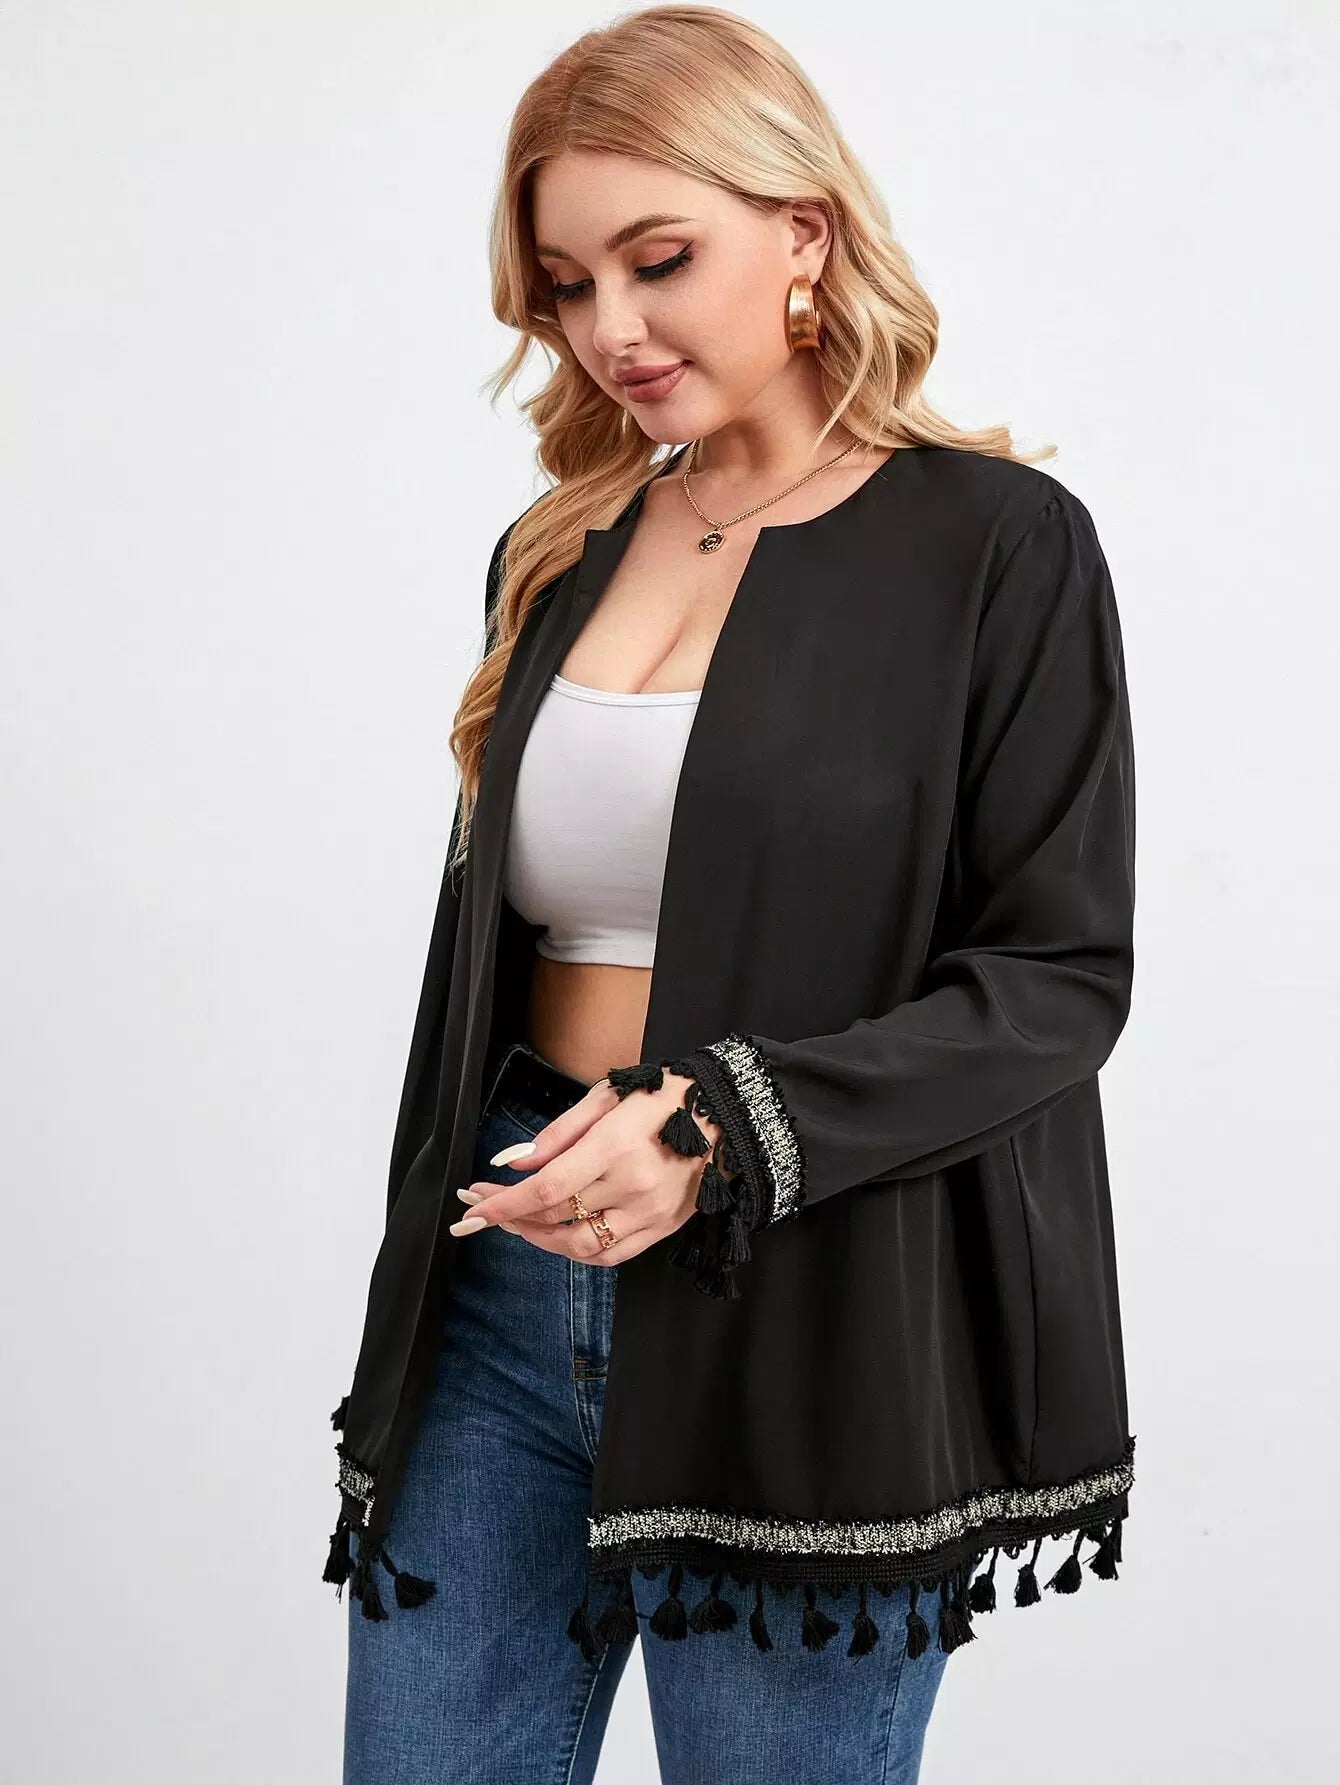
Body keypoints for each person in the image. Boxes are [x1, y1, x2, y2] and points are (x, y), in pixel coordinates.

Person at [329, 8, 1138, 1783]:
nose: (609, 329)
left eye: (659, 259)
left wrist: (718, 1127)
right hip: (508, 1271)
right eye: (565, 285)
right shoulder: (561, 546)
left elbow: (1057, 978)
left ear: (804, 235)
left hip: (811, 1295)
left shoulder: (995, 547)